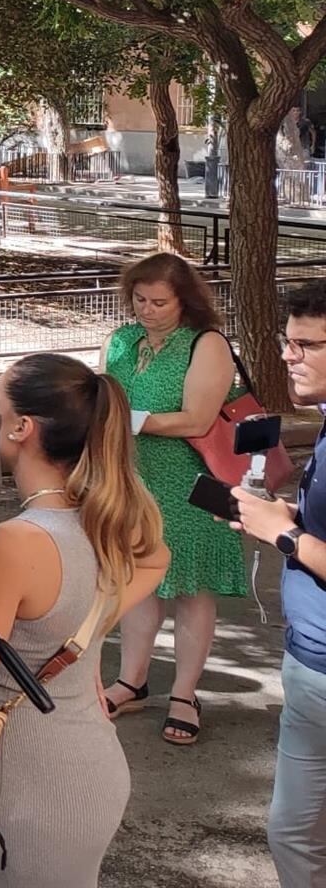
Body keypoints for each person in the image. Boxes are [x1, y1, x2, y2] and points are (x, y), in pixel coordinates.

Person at [0, 354, 169, 887]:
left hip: (27, 779)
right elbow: (156, 558)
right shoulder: (107, 523)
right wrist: (85, 637)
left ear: (21, 427)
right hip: (89, 763)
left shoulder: (10, 544)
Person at [100, 250, 247, 746]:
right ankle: (132, 679)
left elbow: (197, 420)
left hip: (192, 483)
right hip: (133, 481)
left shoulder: (205, 344)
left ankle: (185, 693)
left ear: (184, 300)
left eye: (159, 301)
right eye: (139, 299)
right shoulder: (121, 340)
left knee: (191, 589)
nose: (146, 309)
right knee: (139, 582)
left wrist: (131, 420)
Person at [229, 280, 326, 886]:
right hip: (308, 662)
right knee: (293, 834)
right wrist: (279, 519)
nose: (289, 356)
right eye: (286, 342)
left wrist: (287, 538)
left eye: (307, 344)